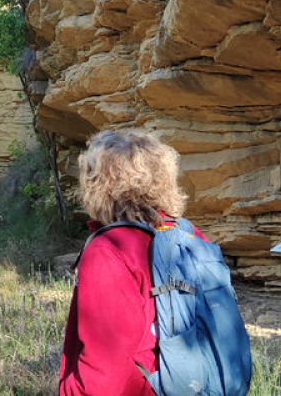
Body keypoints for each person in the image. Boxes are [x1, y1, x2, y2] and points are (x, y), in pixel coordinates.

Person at [58, 129, 198, 396]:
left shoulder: (110, 250)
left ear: (100, 185)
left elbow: (105, 375)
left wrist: (70, 390)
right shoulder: (188, 234)